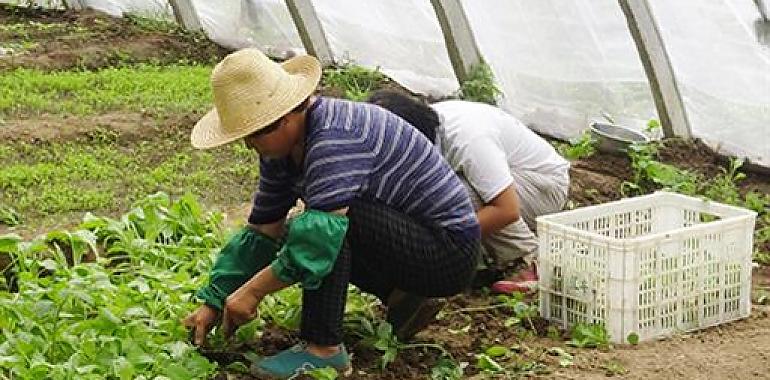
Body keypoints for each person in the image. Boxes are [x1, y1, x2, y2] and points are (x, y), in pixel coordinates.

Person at [182, 49, 480, 379]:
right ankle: (404, 297)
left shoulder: (334, 138)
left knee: (322, 227)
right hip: (410, 242)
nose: (250, 144)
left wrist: (252, 292)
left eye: (255, 132)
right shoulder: (280, 152)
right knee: (310, 226)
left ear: (287, 116)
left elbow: (316, 241)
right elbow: (263, 230)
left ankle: (323, 349)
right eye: (244, 135)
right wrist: (214, 299)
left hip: (448, 252)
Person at [368, 90, 570, 294]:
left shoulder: (467, 138)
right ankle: (483, 260)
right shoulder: (426, 128)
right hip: (512, 185)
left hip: (544, 186)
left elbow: (507, 210)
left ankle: (529, 261)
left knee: (456, 194)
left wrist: (445, 238)